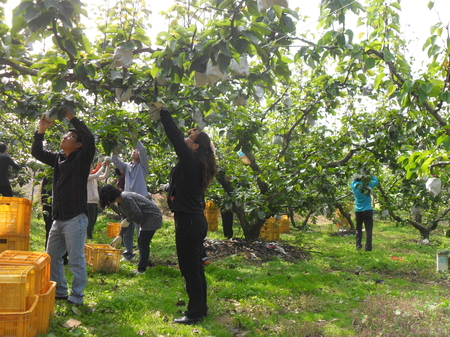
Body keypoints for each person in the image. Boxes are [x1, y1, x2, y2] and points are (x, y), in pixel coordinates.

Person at [155, 106, 217, 325]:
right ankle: (201, 308)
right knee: (195, 267)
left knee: (190, 268)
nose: (185, 137)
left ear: (195, 146)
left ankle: (194, 313)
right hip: (192, 220)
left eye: (190, 136)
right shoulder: (195, 163)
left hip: (189, 221)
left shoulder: (192, 161)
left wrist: (164, 112)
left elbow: (174, 137)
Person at [31, 110, 95, 305]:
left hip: (75, 217)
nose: (65, 136)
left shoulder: (82, 159)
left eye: (71, 136)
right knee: (52, 257)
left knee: (75, 259)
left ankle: (77, 296)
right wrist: (41, 130)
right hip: (59, 218)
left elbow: (89, 137)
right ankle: (60, 291)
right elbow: (37, 153)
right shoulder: (59, 158)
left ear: (78, 145)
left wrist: (71, 117)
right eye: (65, 134)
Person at [99, 184, 162, 274]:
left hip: (152, 217)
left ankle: (141, 269)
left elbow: (137, 213)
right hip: (145, 219)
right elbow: (125, 221)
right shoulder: (120, 203)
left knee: (143, 243)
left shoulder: (126, 198)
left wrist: (128, 220)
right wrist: (120, 235)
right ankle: (141, 267)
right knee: (142, 242)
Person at [112, 140, 149, 262]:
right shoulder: (127, 166)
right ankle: (128, 253)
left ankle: (142, 254)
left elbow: (143, 151)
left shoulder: (143, 166)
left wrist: (135, 140)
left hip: (140, 201)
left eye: (136, 150)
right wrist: (115, 149)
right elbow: (115, 161)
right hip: (127, 200)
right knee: (127, 227)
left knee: (140, 228)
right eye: (133, 150)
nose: (135, 151)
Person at [350, 173, 379, 251]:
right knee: (368, 230)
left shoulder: (353, 186)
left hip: (358, 211)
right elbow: (376, 181)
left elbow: (353, 181)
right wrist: (371, 174)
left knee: (358, 229)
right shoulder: (367, 184)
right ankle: (368, 248)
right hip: (368, 210)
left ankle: (358, 245)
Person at [87, 161, 110, 239]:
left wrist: (107, 166)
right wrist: (102, 166)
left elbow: (104, 176)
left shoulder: (93, 177)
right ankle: (88, 236)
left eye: (91, 167)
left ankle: (89, 234)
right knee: (90, 219)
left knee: (93, 220)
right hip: (89, 202)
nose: (91, 168)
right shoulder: (87, 176)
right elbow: (97, 174)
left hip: (94, 202)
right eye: (89, 167)